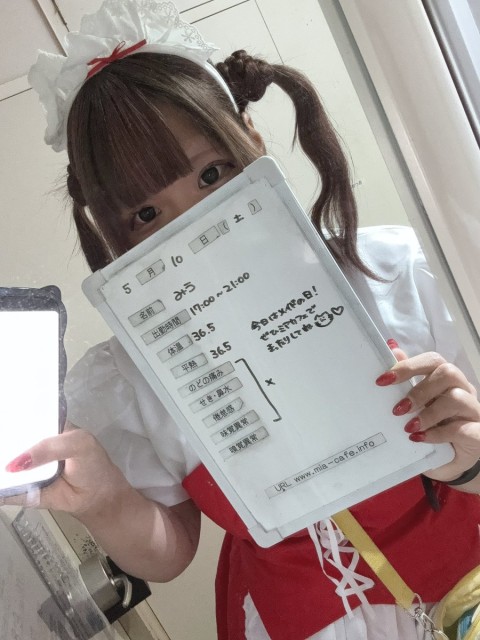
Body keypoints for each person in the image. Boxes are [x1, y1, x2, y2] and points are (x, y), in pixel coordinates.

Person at [3, 1, 480, 638]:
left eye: (212, 174)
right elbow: (171, 551)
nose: (193, 223)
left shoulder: (396, 274)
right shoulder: (130, 380)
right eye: (146, 214)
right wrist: (104, 499)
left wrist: (469, 458)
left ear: (252, 139)